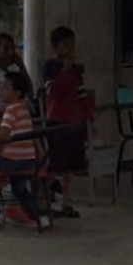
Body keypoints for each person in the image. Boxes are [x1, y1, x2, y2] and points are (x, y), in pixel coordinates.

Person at [0, 72, 50, 230]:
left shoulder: (11, 110)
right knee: (19, 189)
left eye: (6, 87)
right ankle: (39, 216)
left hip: (13, 161)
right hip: (28, 160)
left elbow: (3, 135)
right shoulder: (23, 109)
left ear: (17, 92)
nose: (1, 90)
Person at [41, 26, 95, 218]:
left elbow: (81, 95)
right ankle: (44, 200)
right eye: (65, 45)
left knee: (71, 166)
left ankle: (66, 201)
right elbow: (53, 92)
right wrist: (64, 71)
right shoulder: (50, 67)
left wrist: (89, 118)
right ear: (56, 46)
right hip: (57, 120)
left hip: (75, 120)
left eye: (72, 45)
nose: (70, 49)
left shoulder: (77, 70)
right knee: (55, 163)